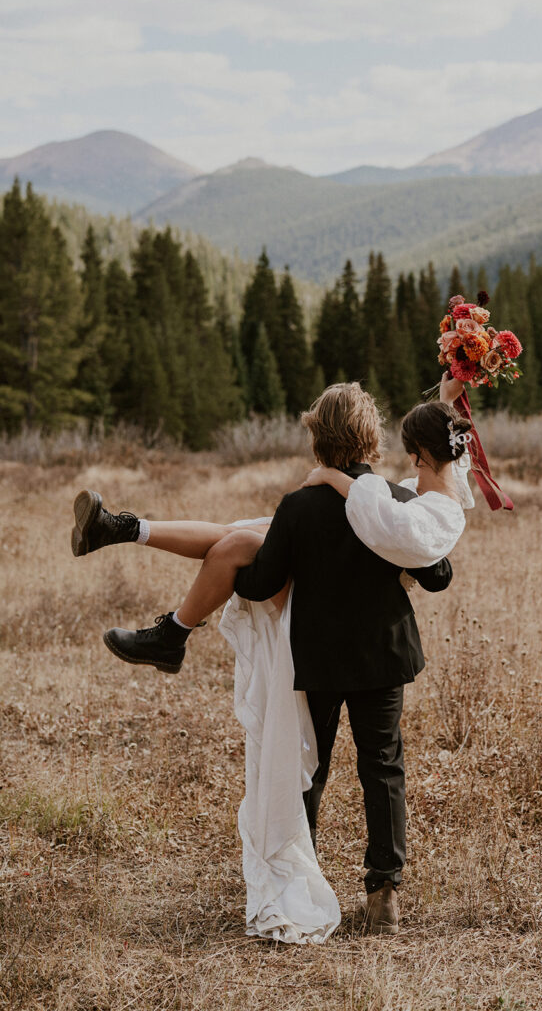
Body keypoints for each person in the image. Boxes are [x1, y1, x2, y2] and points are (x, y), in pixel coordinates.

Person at [71, 377, 471, 938]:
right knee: (382, 767)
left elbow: (257, 587)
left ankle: (296, 881)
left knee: (309, 766)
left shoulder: (300, 506)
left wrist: (255, 561)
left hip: (319, 659)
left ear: (317, 443)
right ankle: (384, 893)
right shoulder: (398, 503)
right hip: (384, 654)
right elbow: (439, 573)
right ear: (371, 443)